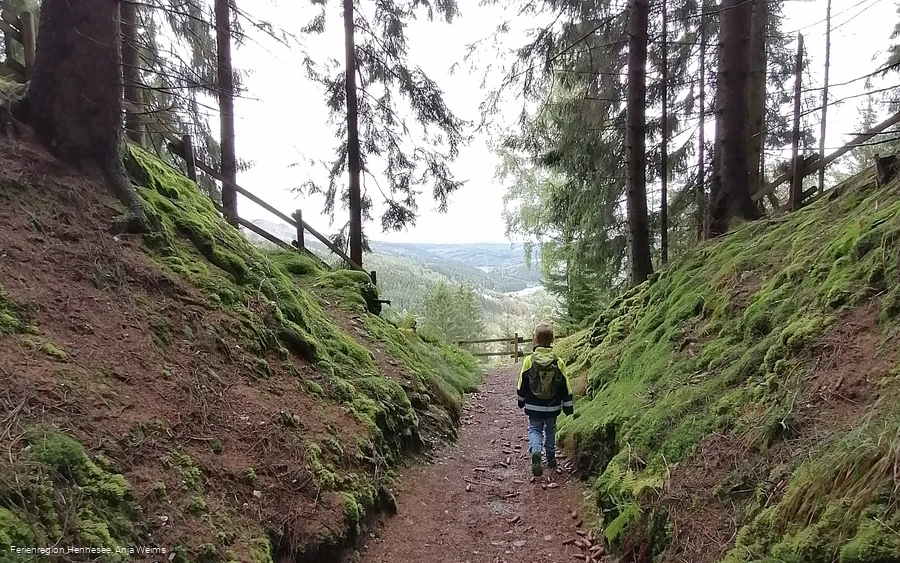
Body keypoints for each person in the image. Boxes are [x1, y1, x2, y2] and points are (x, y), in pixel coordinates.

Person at [516, 323, 574, 477]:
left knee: (534, 429)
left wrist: (521, 400)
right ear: (553, 339)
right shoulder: (558, 361)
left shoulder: (529, 360)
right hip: (552, 406)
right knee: (550, 430)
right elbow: (565, 384)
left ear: (535, 339)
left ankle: (536, 451)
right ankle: (551, 458)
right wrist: (568, 406)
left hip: (533, 405)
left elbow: (523, 382)